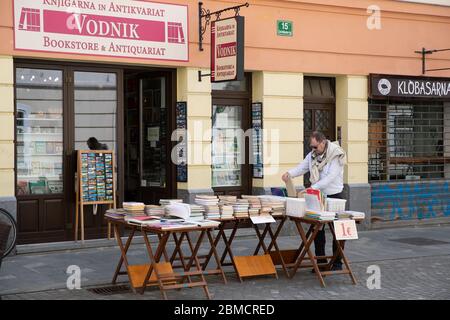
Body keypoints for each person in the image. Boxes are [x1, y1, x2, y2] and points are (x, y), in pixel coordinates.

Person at [282, 131, 347, 271]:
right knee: (318, 230)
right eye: (311, 147)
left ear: (323, 143)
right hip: (318, 196)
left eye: (315, 147)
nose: (313, 150)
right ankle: (321, 262)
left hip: (335, 196)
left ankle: (337, 262)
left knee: (338, 232)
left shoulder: (336, 155)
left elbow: (330, 177)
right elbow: (302, 167)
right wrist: (289, 174)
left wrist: (312, 188)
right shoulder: (313, 155)